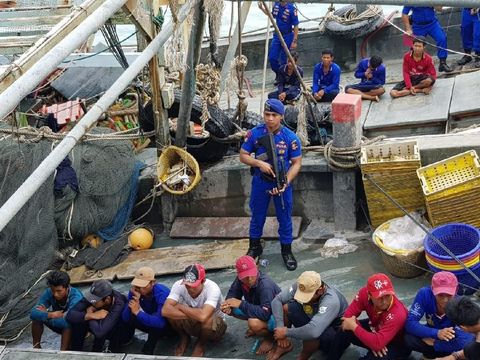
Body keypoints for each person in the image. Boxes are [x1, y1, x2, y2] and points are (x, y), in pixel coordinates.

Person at [240, 98, 302, 271]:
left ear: (281, 116)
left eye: (274, 115)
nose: (269, 119)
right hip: (261, 183)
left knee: (285, 218)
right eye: (267, 114)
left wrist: (286, 181)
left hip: (282, 184)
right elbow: (243, 155)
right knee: (257, 216)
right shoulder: (255, 133)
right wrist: (260, 164)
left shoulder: (290, 138)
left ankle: (286, 251)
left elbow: (297, 162)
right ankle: (254, 247)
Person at [327, 273, 411, 360]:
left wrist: (357, 328)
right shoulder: (364, 293)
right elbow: (347, 317)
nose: (385, 301)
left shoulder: (398, 313)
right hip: (376, 329)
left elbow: (377, 343)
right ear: (369, 294)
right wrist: (372, 342)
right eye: (380, 297)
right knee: (345, 327)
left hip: (396, 343)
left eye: (388, 295)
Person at [269, 271, 348, 360]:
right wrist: (280, 329)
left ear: (320, 291)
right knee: (287, 308)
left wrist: (286, 332)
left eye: (308, 297)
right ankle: (283, 345)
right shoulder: (303, 285)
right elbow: (277, 300)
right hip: (315, 318)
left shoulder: (331, 301)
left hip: (334, 331)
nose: (304, 300)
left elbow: (313, 331)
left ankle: (303, 357)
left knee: (312, 333)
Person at [404, 271, 474, 359]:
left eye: (449, 295)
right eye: (440, 295)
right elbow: (410, 323)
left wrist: (436, 343)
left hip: (450, 341)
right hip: (434, 334)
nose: (445, 300)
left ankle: (442, 355)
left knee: (468, 345)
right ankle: (432, 354)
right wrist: (436, 333)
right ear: (432, 289)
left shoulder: (462, 305)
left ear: (456, 290)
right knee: (408, 338)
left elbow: (466, 340)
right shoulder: (424, 294)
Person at [162, 263, 227, 357]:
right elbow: (165, 310)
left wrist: (180, 307)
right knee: (171, 314)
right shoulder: (178, 285)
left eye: (194, 286)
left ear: (203, 281)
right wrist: (195, 315)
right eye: (187, 285)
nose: (190, 289)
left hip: (214, 326)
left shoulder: (213, 288)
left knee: (207, 319)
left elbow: (204, 316)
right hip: (195, 320)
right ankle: (184, 337)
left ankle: (201, 344)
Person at [221, 255, 281, 355]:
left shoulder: (265, 286)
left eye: (251, 274)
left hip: (276, 316)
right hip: (258, 308)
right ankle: (261, 329)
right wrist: (227, 305)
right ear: (239, 275)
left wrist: (241, 303)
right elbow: (232, 295)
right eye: (244, 276)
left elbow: (265, 314)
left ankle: (270, 338)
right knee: (232, 309)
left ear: (256, 268)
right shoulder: (240, 280)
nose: (249, 279)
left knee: (253, 323)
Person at [67, 279, 133, 353]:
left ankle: (103, 350)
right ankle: (75, 352)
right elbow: (70, 315)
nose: (91, 301)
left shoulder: (119, 304)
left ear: (107, 299)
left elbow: (100, 332)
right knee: (78, 322)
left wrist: (90, 313)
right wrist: (91, 315)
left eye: (94, 300)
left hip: (120, 333)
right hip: (100, 325)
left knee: (102, 325)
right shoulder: (94, 296)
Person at [121, 266, 172, 355]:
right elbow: (125, 318)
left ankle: (148, 350)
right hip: (151, 319)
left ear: (153, 283)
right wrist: (133, 300)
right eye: (137, 285)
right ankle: (126, 339)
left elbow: (160, 323)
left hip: (167, 326)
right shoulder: (135, 291)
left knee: (155, 324)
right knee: (129, 315)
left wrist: (138, 312)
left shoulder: (162, 293)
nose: (139, 288)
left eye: (142, 285)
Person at [30, 270, 83, 350]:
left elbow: (68, 320)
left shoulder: (76, 297)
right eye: (53, 290)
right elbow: (33, 313)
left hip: (76, 329)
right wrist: (50, 314)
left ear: (67, 287)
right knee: (36, 319)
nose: (55, 294)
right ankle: (36, 347)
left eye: (59, 291)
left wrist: (45, 313)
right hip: (58, 321)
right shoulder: (49, 292)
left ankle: (63, 353)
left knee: (68, 324)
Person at [402, 6, 452, 72]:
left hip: (432, 24)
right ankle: (415, 66)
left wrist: (435, 4)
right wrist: (408, 29)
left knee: (442, 38)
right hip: (418, 26)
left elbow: (440, 9)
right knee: (416, 46)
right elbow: (404, 13)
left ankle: (443, 63)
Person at [259, 1, 299, 75]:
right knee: (272, 58)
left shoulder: (292, 9)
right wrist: (262, 8)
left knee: (284, 59)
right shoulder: (276, 6)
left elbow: (296, 26)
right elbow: (271, 15)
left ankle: (284, 76)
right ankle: (279, 74)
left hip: (288, 35)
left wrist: (295, 40)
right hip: (277, 35)